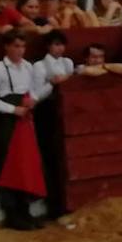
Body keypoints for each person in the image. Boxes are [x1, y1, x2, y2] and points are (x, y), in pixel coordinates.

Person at [0, 33, 46, 230]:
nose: (20, 50)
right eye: (16, 46)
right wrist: (12, 109)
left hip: (25, 120)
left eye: (22, 47)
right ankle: (12, 214)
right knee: (9, 165)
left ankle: (24, 211)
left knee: (25, 165)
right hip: (8, 121)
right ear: (6, 47)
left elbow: (34, 89)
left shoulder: (28, 66)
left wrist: (32, 99)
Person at [32, 30, 74, 220]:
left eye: (61, 44)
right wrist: (52, 83)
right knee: (50, 160)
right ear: (48, 46)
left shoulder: (68, 63)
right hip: (47, 117)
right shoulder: (39, 67)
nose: (59, 48)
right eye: (55, 44)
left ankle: (64, 204)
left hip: (67, 116)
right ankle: (54, 206)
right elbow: (36, 97)